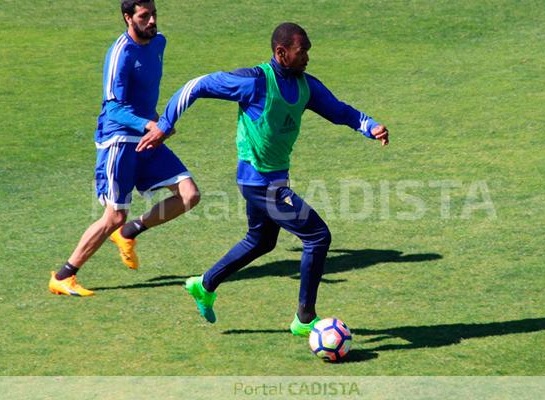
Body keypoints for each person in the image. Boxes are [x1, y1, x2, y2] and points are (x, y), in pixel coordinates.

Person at [138, 22, 389, 335]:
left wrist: (371, 126)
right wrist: (165, 124)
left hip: (273, 182)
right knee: (317, 236)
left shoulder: (305, 86)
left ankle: (205, 285)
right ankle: (305, 319)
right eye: (302, 52)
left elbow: (340, 112)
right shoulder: (254, 82)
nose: (308, 57)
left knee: (261, 241)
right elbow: (197, 85)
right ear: (281, 53)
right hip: (260, 184)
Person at [48, 0, 200, 296]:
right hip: (118, 139)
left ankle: (129, 232)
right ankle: (64, 276)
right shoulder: (120, 54)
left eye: (154, 14)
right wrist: (151, 125)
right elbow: (113, 109)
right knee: (114, 214)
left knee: (189, 195)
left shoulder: (158, 43)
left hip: (146, 135)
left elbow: (142, 94)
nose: (152, 20)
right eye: (145, 16)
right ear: (128, 18)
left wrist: (158, 121)